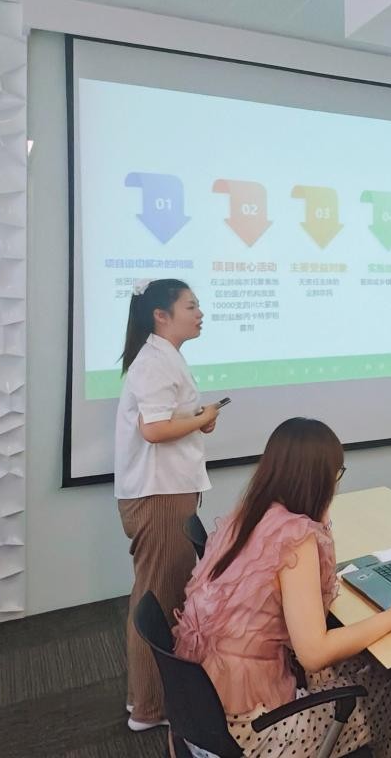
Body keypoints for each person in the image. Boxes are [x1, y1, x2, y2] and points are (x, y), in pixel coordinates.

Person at [173, 418, 391, 757]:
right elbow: (313, 654)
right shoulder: (295, 539)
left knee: (359, 664)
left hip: (206, 710)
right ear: (320, 480)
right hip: (255, 731)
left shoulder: (249, 515)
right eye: (336, 475)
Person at [114, 278, 221, 731]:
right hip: (158, 495)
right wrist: (201, 419)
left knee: (164, 592)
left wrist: (198, 419)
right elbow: (154, 430)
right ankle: (148, 708)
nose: (200, 314)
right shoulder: (155, 362)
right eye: (191, 306)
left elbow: (165, 420)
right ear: (161, 315)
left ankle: (150, 699)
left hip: (167, 488)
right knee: (157, 598)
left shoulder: (164, 357)